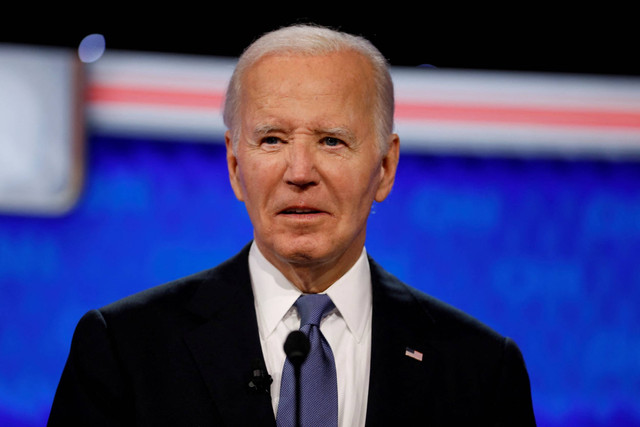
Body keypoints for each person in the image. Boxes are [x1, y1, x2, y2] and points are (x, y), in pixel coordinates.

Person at [48, 24, 536, 426]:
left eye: (330, 141)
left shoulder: (481, 370)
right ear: (236, 168)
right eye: (273, 140)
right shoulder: (124, 350)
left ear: (385, 168)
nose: (300, 172)